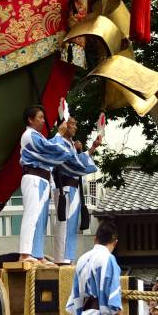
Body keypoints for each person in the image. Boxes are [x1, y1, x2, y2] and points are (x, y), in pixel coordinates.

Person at [17, 104, 94, 264]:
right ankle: (25, 253)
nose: (43, 121)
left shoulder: (40, 136)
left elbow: (57, 151)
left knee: (42, 219)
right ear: (30, 120)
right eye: (40, 118)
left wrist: (87, 149)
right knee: (33, 215)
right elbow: (50, 148)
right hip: (34, 177)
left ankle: (37, 254)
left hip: (44, 180)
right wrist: (59, 133)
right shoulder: (29, 135)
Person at [50, 113, 100, 264]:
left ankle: (68, 257)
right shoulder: (60, 143)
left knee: (72, 225)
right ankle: (61, 258)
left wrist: (92, 148)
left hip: (73, 188)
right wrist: (85, 152)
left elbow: (77, 161)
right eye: (72, 124)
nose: (75, 127)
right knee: (64, 223)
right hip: (64, 187)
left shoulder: (70, 144)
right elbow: (74, 163)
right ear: (64, 125)